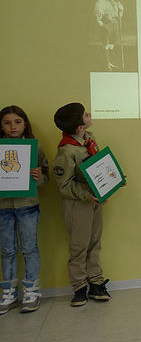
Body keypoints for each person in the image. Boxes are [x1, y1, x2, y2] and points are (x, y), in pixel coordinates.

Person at [52, 102, 111, 307]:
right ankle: (79, 287)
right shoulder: (66, 151)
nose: (89, 114)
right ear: (79, 127)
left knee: (95, 241)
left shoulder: (89, 139)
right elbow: (64, 186)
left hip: (95, 200)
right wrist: (88, 195)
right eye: (86, 114)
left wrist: (112, 179)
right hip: (78, 204)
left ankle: (96, 282)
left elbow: (98, 166)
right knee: (79, 246)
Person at [0, 106, 48, 314]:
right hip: (2, 207)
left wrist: (39, 178)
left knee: (29, 248)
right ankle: (9, 292)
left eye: (18, 122)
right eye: (7, 122)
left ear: (25, 124)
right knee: (7, 250)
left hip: (27, 206)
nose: (13, 126)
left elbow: (46, 178)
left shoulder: (34, 149)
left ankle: (31, 290)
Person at [94, 0, 124, 70]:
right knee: (105, 44)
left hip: (115, 25)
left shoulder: (116, 3)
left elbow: (120, 16)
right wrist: (101, 24)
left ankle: (109, 62)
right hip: (106, 24)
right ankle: (106, 64)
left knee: (112, 43)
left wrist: (120, 9)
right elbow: (98, 15)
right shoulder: (101, 2)